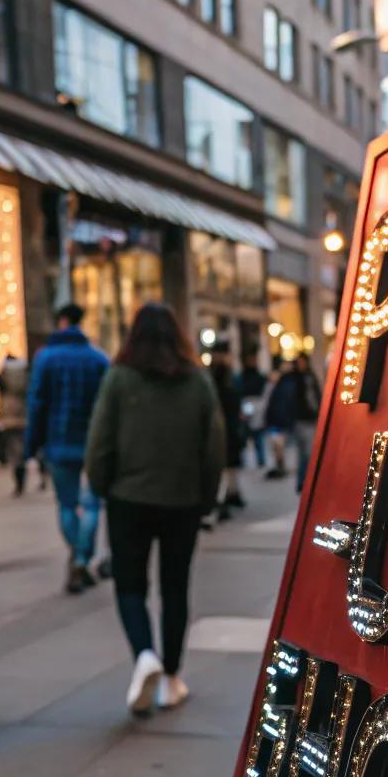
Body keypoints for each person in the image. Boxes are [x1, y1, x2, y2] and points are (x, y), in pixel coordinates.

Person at [86, 302, 224, 716]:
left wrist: (101, 486)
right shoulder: (197, 381)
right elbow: (214, 446)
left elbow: (100, 441)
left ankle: (145, 653)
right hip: (182, 499)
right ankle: (171, 678)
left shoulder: (119, 378)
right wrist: (207, 498)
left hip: (128, 499)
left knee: (130, 585)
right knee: (175, 587)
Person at [25, 303, 108, 593]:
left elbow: (36, 403)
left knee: (66, 504)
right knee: (93, 503)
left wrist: (31, 444)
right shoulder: (97, 359)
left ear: (61, 321)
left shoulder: (46, 359)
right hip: (92, 441)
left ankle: (77, 556)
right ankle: (84, 557)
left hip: (58, 440)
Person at [274, 352, 323, 492]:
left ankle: (305, 481)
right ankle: (304, 481)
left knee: (306, 452)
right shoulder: (294, 379)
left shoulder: (309, 378)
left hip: (308, 418)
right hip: (300, 419)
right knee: (304, 453)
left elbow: (316, 397)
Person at [209, 340, 245, 519]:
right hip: (221, 424)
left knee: (229, 464)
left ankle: (230, 494)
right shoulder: (215, 375)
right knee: (223, 464)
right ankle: (222, 498)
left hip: (230, 424)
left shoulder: (229, 376)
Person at [0, 353, 31, 495]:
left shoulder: (3, 375)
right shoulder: (26, 373)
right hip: (24, 413)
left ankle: (19, 480)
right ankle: (25, 472)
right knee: (22, 447)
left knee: (13, 448)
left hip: (9, 414)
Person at [236, 352, 268, 469]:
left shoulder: (259, 376)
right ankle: (244, 460)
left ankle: (261, 459)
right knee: (245, 432)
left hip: (256, 403)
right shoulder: (242, 377)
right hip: (247, 403)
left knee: (258, 432)